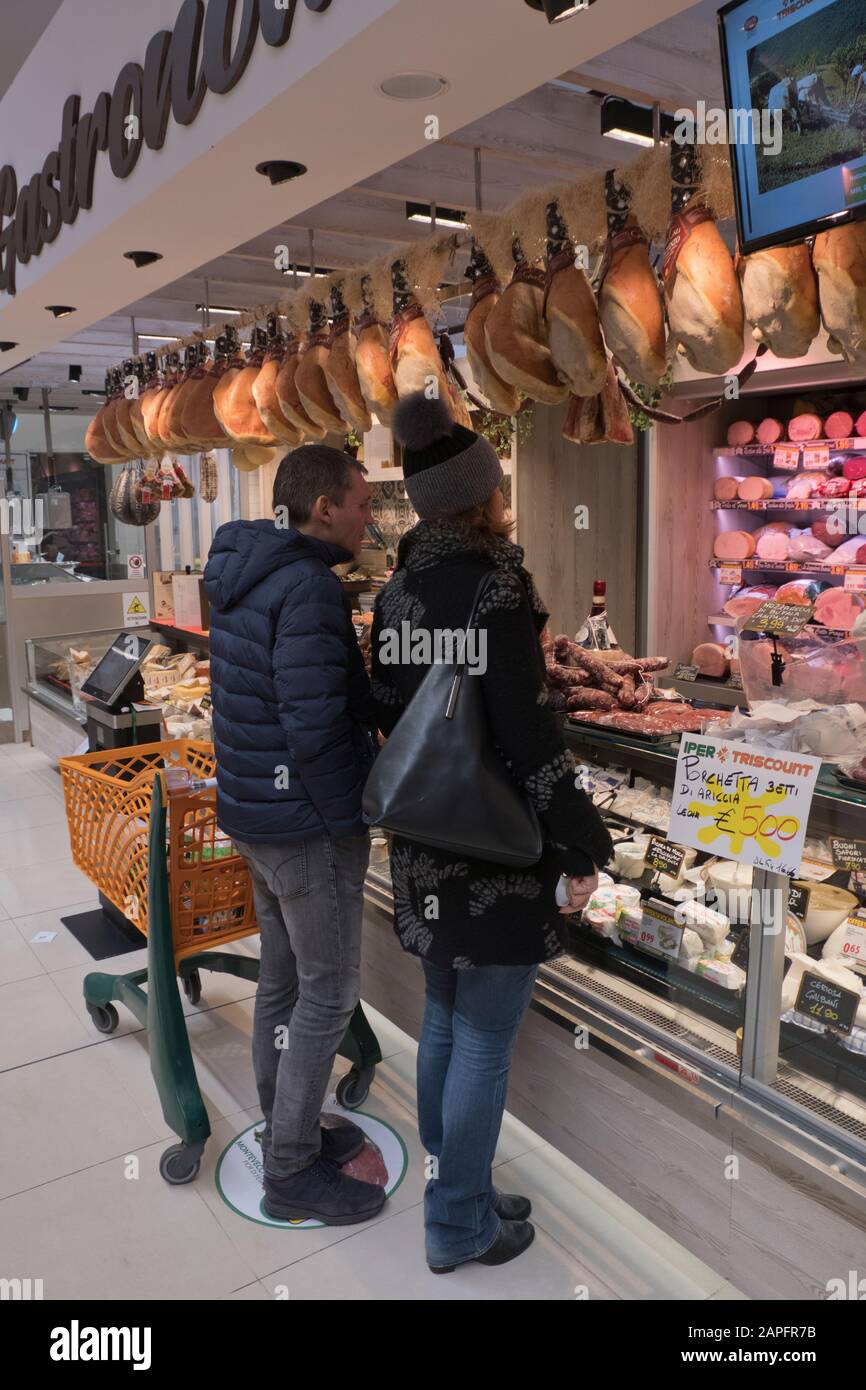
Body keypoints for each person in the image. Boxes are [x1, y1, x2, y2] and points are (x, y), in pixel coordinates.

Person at [371, 393, 613, 1274]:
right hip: (497, 845)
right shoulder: (497, 586)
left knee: (444, 1013)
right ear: (481, 495)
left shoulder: (396, 591)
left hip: (423, 838)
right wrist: (583, 835)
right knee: (480, 1035)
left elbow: (393, 715)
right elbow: (526, 732)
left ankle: (454, 1184)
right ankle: (459, 1219)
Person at [204, 445, 385, 1227]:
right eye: (361, 502)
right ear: (323, 508)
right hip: (306, 826)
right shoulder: (309, 585)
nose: (368, 516)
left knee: (281, 981)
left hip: (255, 815)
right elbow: (312, 725)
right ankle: (290, 1170)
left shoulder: (245, 571)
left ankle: (293, 1125)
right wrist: (350, 815)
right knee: (328, 992)